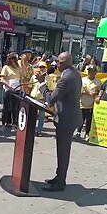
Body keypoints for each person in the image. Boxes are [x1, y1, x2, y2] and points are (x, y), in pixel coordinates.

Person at [39, 52, 82, 192]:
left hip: (66, 119)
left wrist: (41, 85)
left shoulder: (67, 77)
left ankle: (60, 182)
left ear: (64, 63)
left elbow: (51, 100)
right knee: (62, 150)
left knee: (63, 151)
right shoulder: (73, 73)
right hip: (69, 117)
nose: (56, 64)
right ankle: (59, 177)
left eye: (58, 62)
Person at [76, 65, 101, 140]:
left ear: (95, 72)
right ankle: (78, 132)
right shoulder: (82, 80)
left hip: (91, 104)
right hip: (82, 103)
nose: (90, 73)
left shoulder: (98, 81)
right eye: (89, 71)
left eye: (92, 71)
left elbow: (100, 91)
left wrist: (96, 94)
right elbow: (78, 91)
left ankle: (87, 133)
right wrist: (85, 93)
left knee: (89, 120)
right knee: (80, 119)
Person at [0, 52, 21, 132]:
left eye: (14, 59)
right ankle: (3, 124)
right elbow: (2, 79)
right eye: (11, 59)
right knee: (6, 108)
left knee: (15, 108)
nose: (12, 60)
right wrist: (9, 86)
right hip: (8, 89)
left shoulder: (18, 68)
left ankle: (14, 125)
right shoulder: (6, 67)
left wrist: (20, 87)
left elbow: (20, 78)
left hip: (17, 90)